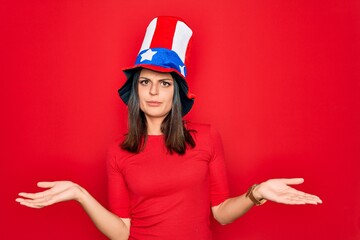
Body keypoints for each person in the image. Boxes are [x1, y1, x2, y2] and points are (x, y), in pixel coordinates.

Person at [15, 16, 322, 240]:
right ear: (135, 90)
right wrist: (80, 194)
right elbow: (122, 232)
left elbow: (221, 215)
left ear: (176, 92)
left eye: (164, 84)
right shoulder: (117, 152)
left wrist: (256, 193)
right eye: (145, 82)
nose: (153, 92)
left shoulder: (207, 137)